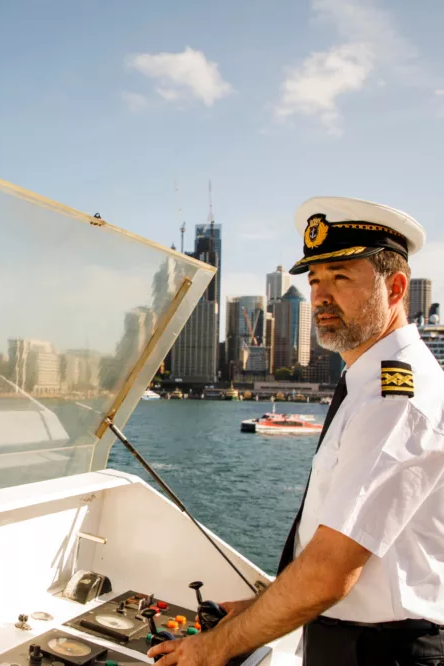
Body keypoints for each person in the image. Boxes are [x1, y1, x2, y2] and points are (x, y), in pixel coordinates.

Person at [149, 197, 444, 665]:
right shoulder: (369, 384)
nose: (321, 295)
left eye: (341, 277)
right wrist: (256, 611)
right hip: (346, 634)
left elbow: (331, 572)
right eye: (315, 280)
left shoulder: (394, 400)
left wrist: (213, 648)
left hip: (381, 651)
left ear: (396, 288)